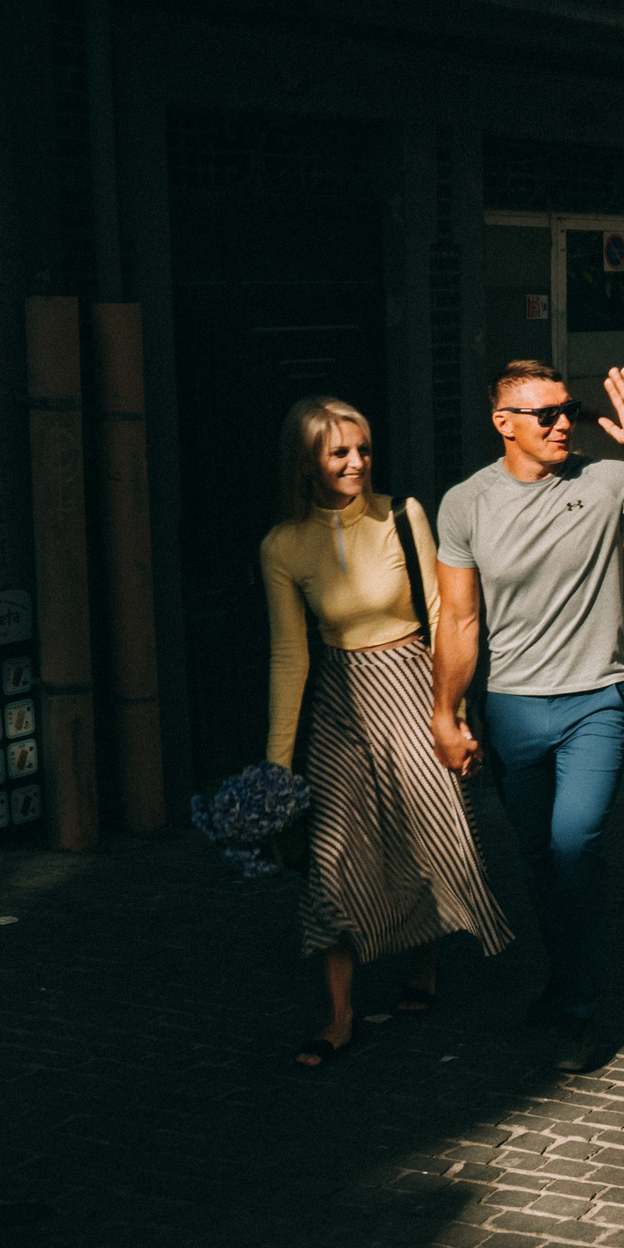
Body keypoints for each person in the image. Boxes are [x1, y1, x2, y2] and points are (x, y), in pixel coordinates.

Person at [430, 361, 624, 1073]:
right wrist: (445, 712)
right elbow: (460, 621)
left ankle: (581, 1013)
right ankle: (566, 982)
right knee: (538, 862)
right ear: (503, 423)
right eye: (547, 414)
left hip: (596, 701)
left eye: (570, 410)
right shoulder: (465, 504)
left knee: (573, 847)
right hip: (512, 709)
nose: (565, 423)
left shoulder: (607, 480)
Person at [262, 397, 510, 1068]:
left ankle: (423, 963)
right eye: (339, 452)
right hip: (340, 704)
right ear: (306, 464)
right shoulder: (282, 545)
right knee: (332, 858)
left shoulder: (403, 515)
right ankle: (339, 1016)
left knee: (420, 835)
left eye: (364, 449)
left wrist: (453, 713)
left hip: (412, 686)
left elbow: (442, 612)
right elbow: (289, 655)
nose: (357, 462)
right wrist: (276, 764)